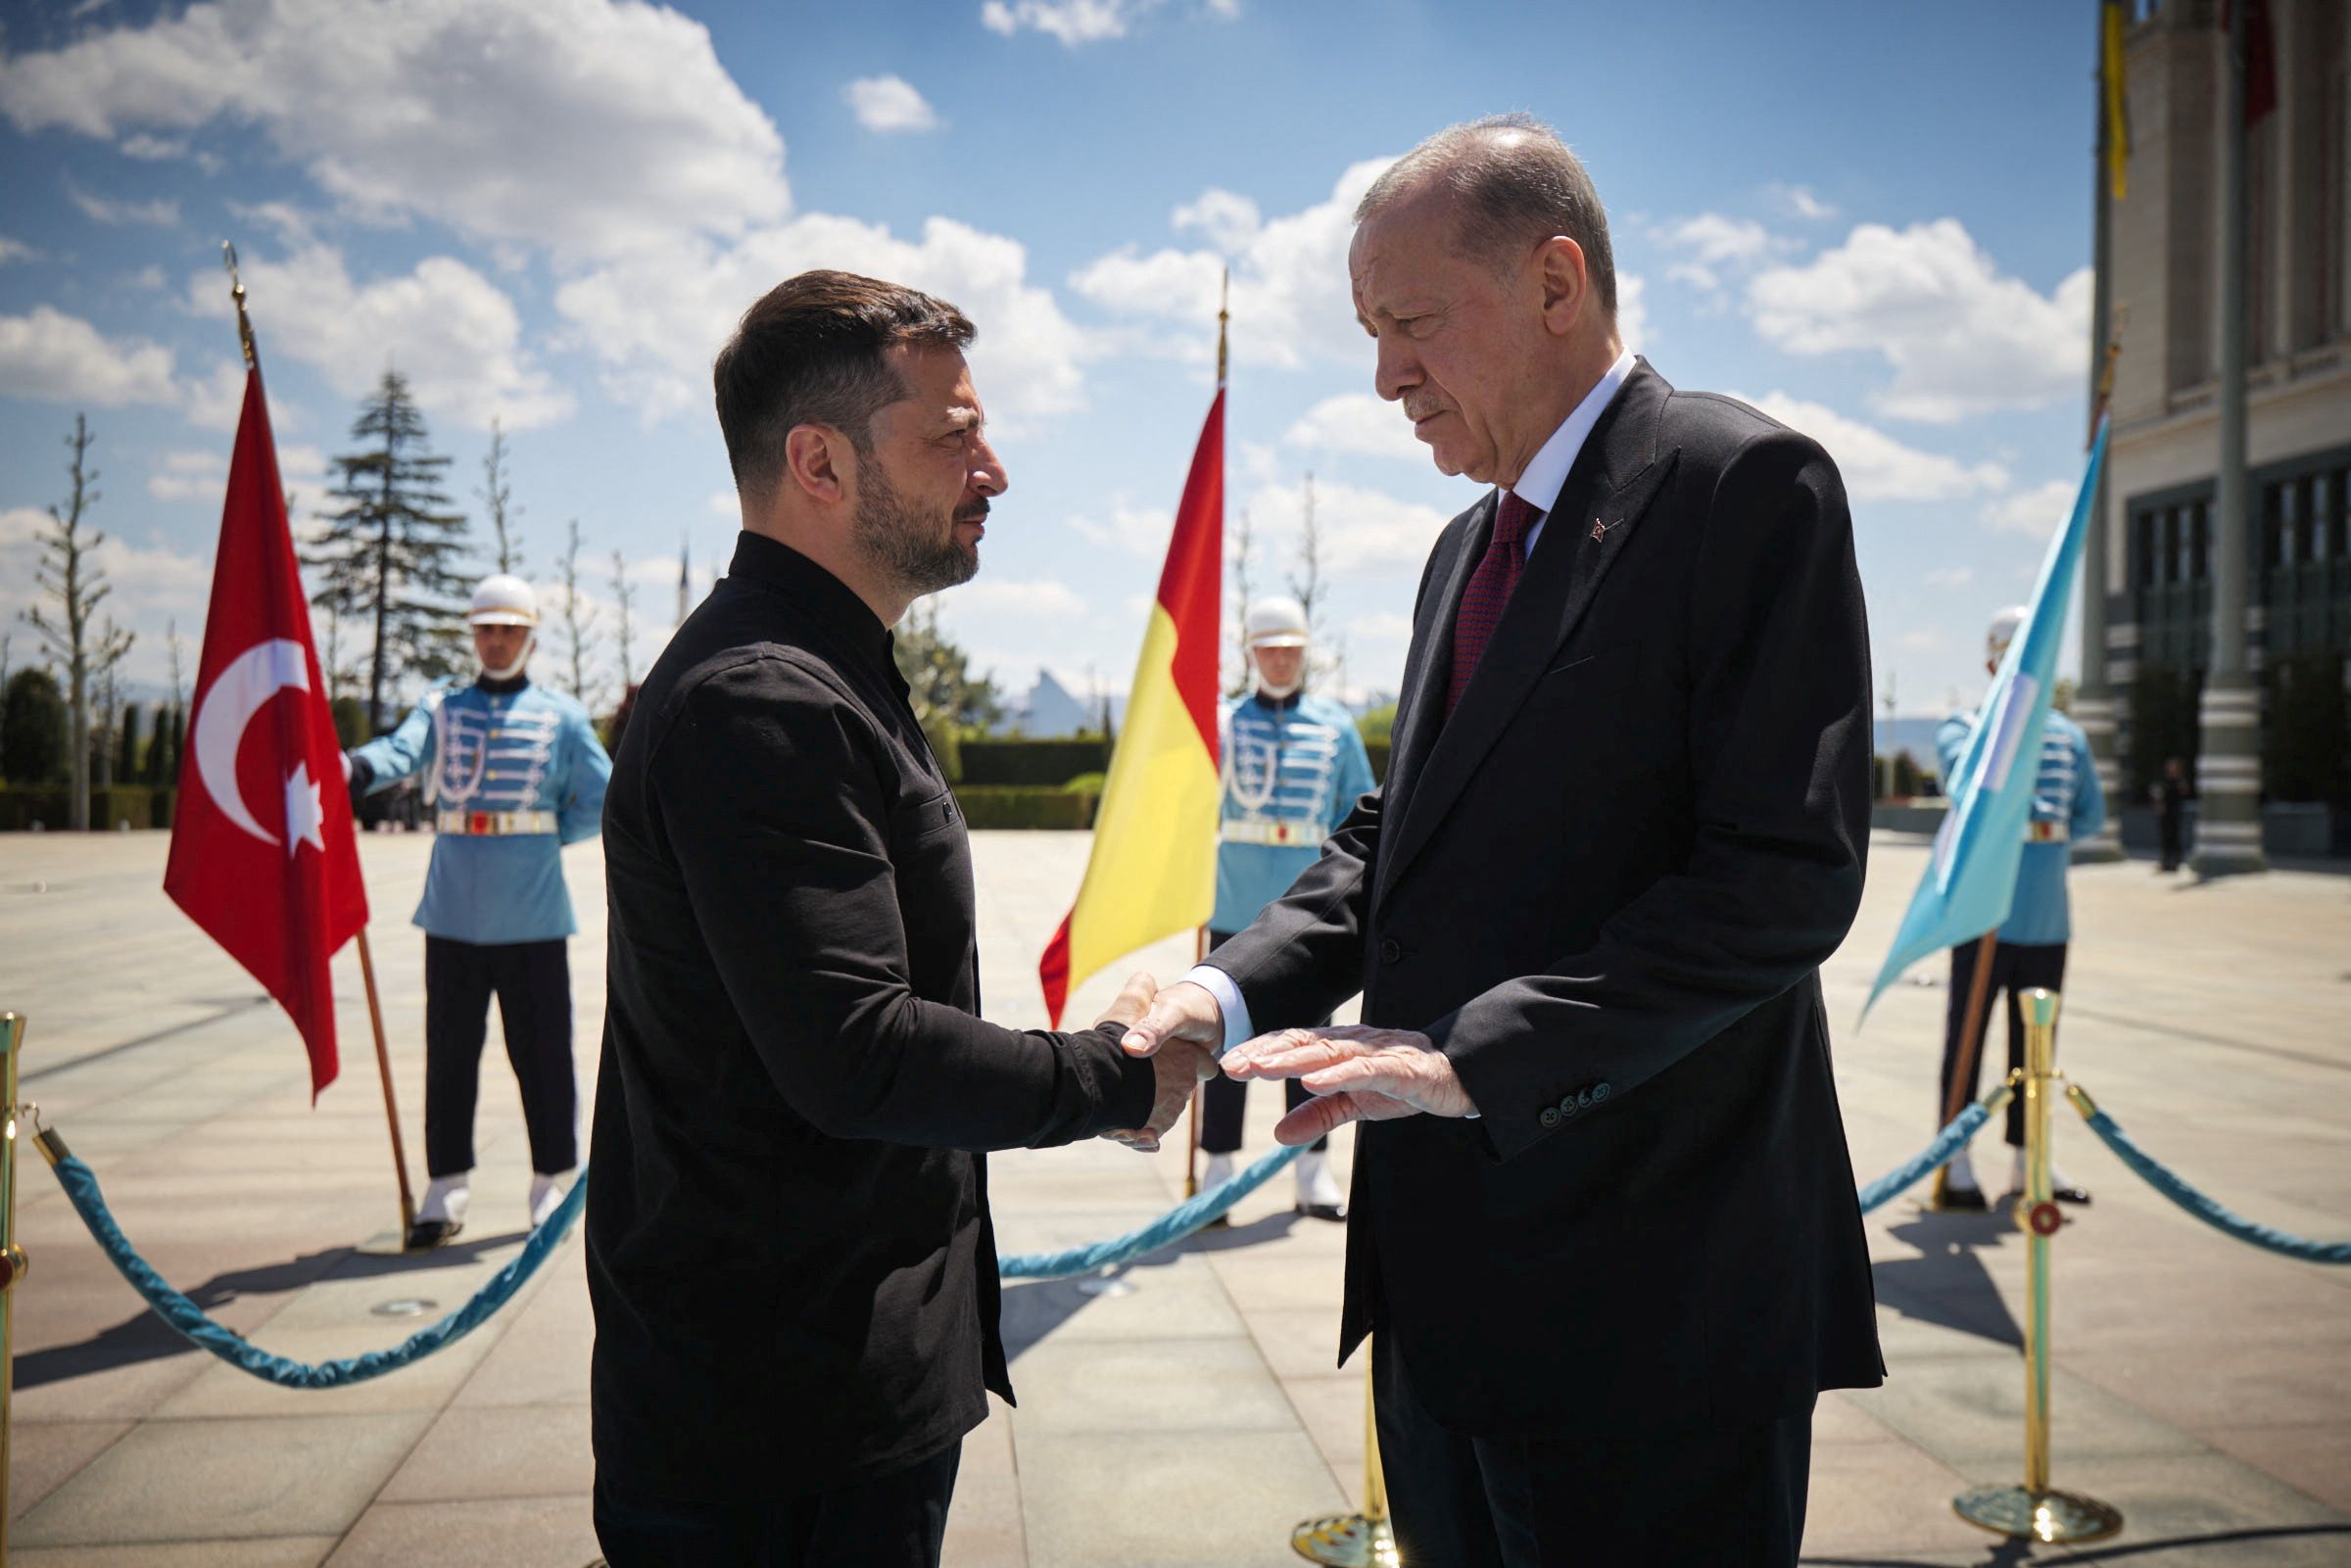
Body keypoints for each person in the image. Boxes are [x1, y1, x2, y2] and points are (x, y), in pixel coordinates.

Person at [1119, 116, 1882, 1565]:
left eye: (1411, 323)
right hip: (1441, 1300)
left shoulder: (1743, 487)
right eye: (1371, 331)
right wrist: (1217, 1001)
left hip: (1648, 1311)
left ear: (1555, 281)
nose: (1386, 374)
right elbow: (1392, 835)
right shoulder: (1467, 547)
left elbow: (1782, 877)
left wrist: (1476, 1054)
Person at [586, 270, 1215, 1568]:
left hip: (814, 1378)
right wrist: (1115, 1071)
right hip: (779, 1422)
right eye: (953, 435)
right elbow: (856, 1049)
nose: (993, 471)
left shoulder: (818, 667)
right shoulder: (767, 695)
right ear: (817, 459)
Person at [346, 574, 610, 1247]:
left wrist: (549, 835)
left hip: (533, 911)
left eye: (509, 630)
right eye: (486, 630)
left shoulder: (562, 716)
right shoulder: (441, 708)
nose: (496, 642)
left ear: (530, 636)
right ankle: (447, 1183)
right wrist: (351, 767)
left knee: (545, 1052)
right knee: (450, 1051)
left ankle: (552, 1175)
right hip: (456, 910)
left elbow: (603, 794)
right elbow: (399, 752)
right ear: (474, 635)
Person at [1201, 594, 1377, 1221]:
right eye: (1267, 649)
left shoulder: (1334, 726)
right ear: (1251, 654)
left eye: (1290, 651)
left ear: (1304, 654)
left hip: (1309, 910)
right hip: (1232, 900)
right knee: (1219, 1040)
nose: (1278, 660)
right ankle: (1217, 1169)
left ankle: (1311, 1170)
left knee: (1312, 1042)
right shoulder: (1220, 723)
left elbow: (1359, 817)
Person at [1934, 607, 2106, 1210]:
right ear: (1990, 662)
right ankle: (1952, 1158)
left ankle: (2028, 1159)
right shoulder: (1967, 727)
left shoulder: (2069, 736)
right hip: (1984, 913)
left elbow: (2090, 814)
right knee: (1968, 1040)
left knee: (2035, 1048)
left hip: (2045, 916)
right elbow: (1964, 782)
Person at [2153, 754, 2189, 872]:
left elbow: (2184, 793)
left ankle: (2175, 862)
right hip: (2165, 814)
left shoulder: (2179, 781)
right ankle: (2165, 862)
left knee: (2174, 837)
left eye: (2173, 766)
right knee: (2165, 838)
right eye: (2169, 766)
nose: (2171, 768)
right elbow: (2159, 796)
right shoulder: (2165, 780)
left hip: (2175, 813)